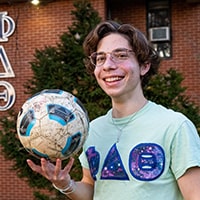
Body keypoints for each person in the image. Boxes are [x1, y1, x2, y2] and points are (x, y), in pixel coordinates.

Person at [27, 20, 200, 200]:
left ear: (144, 65)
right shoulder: (92, 129)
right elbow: (91, 190)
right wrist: (65, 184)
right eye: (101, 58)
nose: (108, 65)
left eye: (121, 55)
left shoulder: (175, 126)